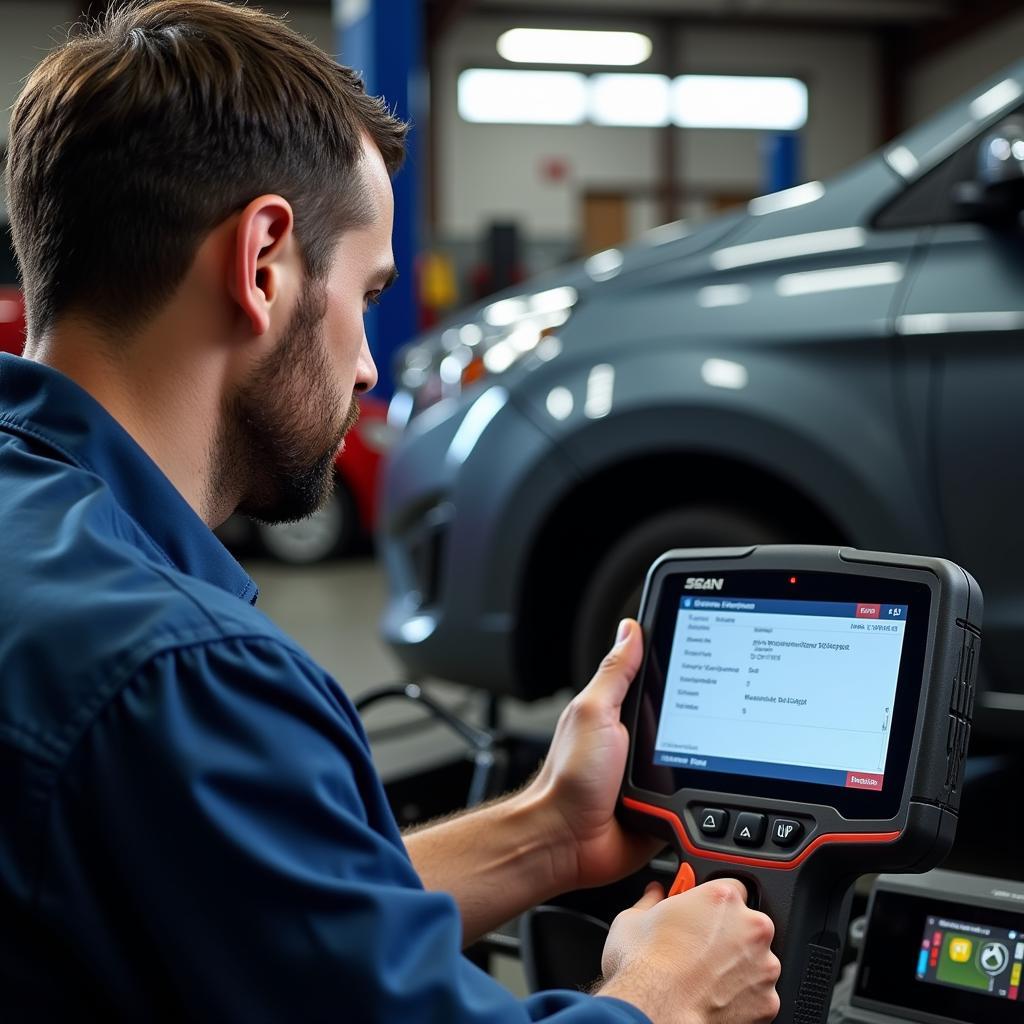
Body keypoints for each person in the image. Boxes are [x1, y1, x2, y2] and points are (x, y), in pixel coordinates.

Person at [0, 3, 780, 1021]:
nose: (368, 365)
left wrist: (549, 831)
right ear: (264, 262)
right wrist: (667, 992)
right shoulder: (180, 672)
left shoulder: (53, 559)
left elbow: (258, 914)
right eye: (367, 294)